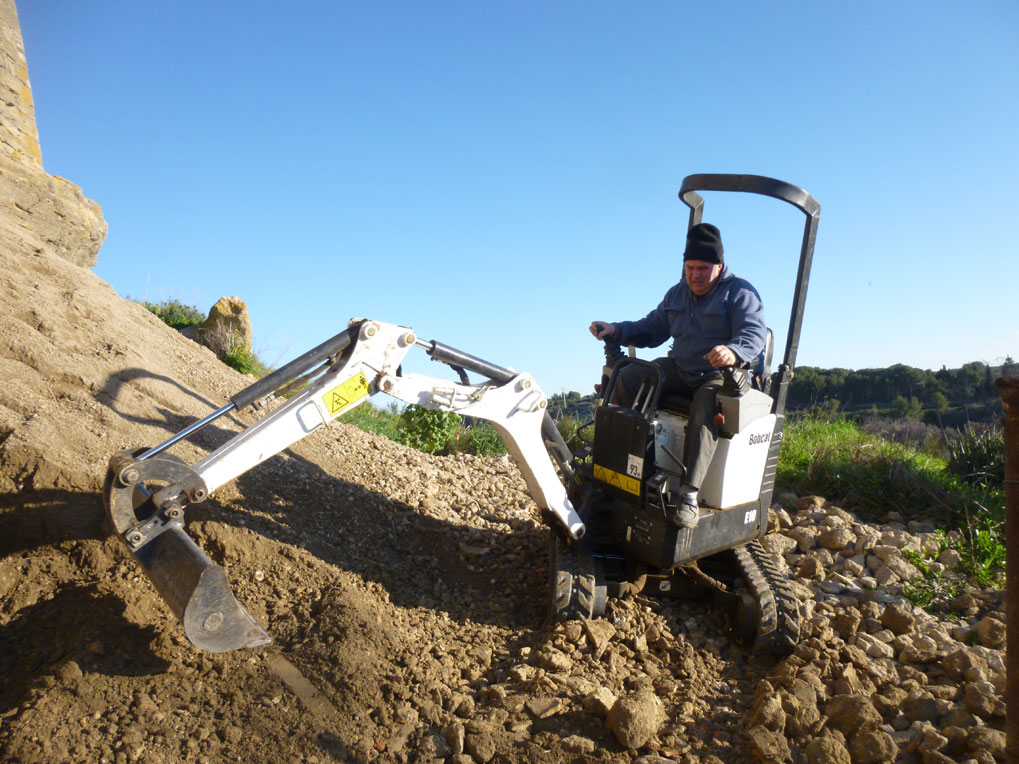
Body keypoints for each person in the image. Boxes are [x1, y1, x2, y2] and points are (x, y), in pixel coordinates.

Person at [589, 222, 766, 528]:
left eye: (703, 268)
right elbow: (652, 327)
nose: (696, 275)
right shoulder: (678, 294)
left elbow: (753, 335)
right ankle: (619, 466)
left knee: (706, 405)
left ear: (720, 266)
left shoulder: (740, 293)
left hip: (718, 375)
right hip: (681, 368)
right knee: (626, 376)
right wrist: (616, 329)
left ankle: (689, 496)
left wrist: (733, 352)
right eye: (690, 267)